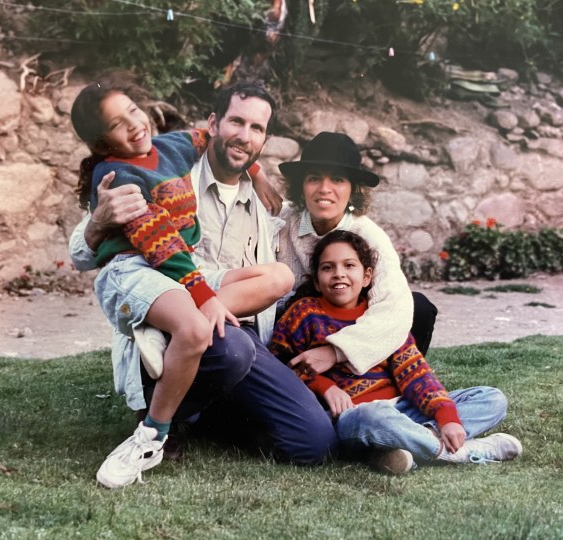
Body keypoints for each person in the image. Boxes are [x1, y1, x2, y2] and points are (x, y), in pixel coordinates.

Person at [69, 81, 338, 476]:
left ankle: (202, 417)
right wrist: (97, 223)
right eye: (236, 122)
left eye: (257, 129)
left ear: (264, 138)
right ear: (214, 123)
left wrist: (258, 172)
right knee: (231, 350)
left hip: (228, 317)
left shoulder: (268, 203)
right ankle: (162, 418)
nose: (244, 136)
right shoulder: (166, 164)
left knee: (314, 443)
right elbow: (83, 251)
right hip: (185, 304)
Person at [269, 230, 523, 474]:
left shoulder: (381, 314)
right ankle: (459, 452)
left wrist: (447, 418)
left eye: (349, 266)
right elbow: (279, 364)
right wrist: (325, 386)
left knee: (492, 398)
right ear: (316, 279)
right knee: (374, 416)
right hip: (352, 417)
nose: (339, 274)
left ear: (367, 276)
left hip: (401, 408)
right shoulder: (304, 314)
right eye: (328, 267)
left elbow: (415, 373)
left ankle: (400, 447)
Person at [275, 131, 436, 380]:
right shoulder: (280, 221)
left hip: (346, 328)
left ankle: (385, 383)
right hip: (295, 331)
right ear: (301, 186)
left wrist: (335, 352)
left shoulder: (369, 236)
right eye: (314, 178)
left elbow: (395, 308)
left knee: (419, 306)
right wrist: (255, 175)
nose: (324, 189)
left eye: (337, 180)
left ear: (353, 190)